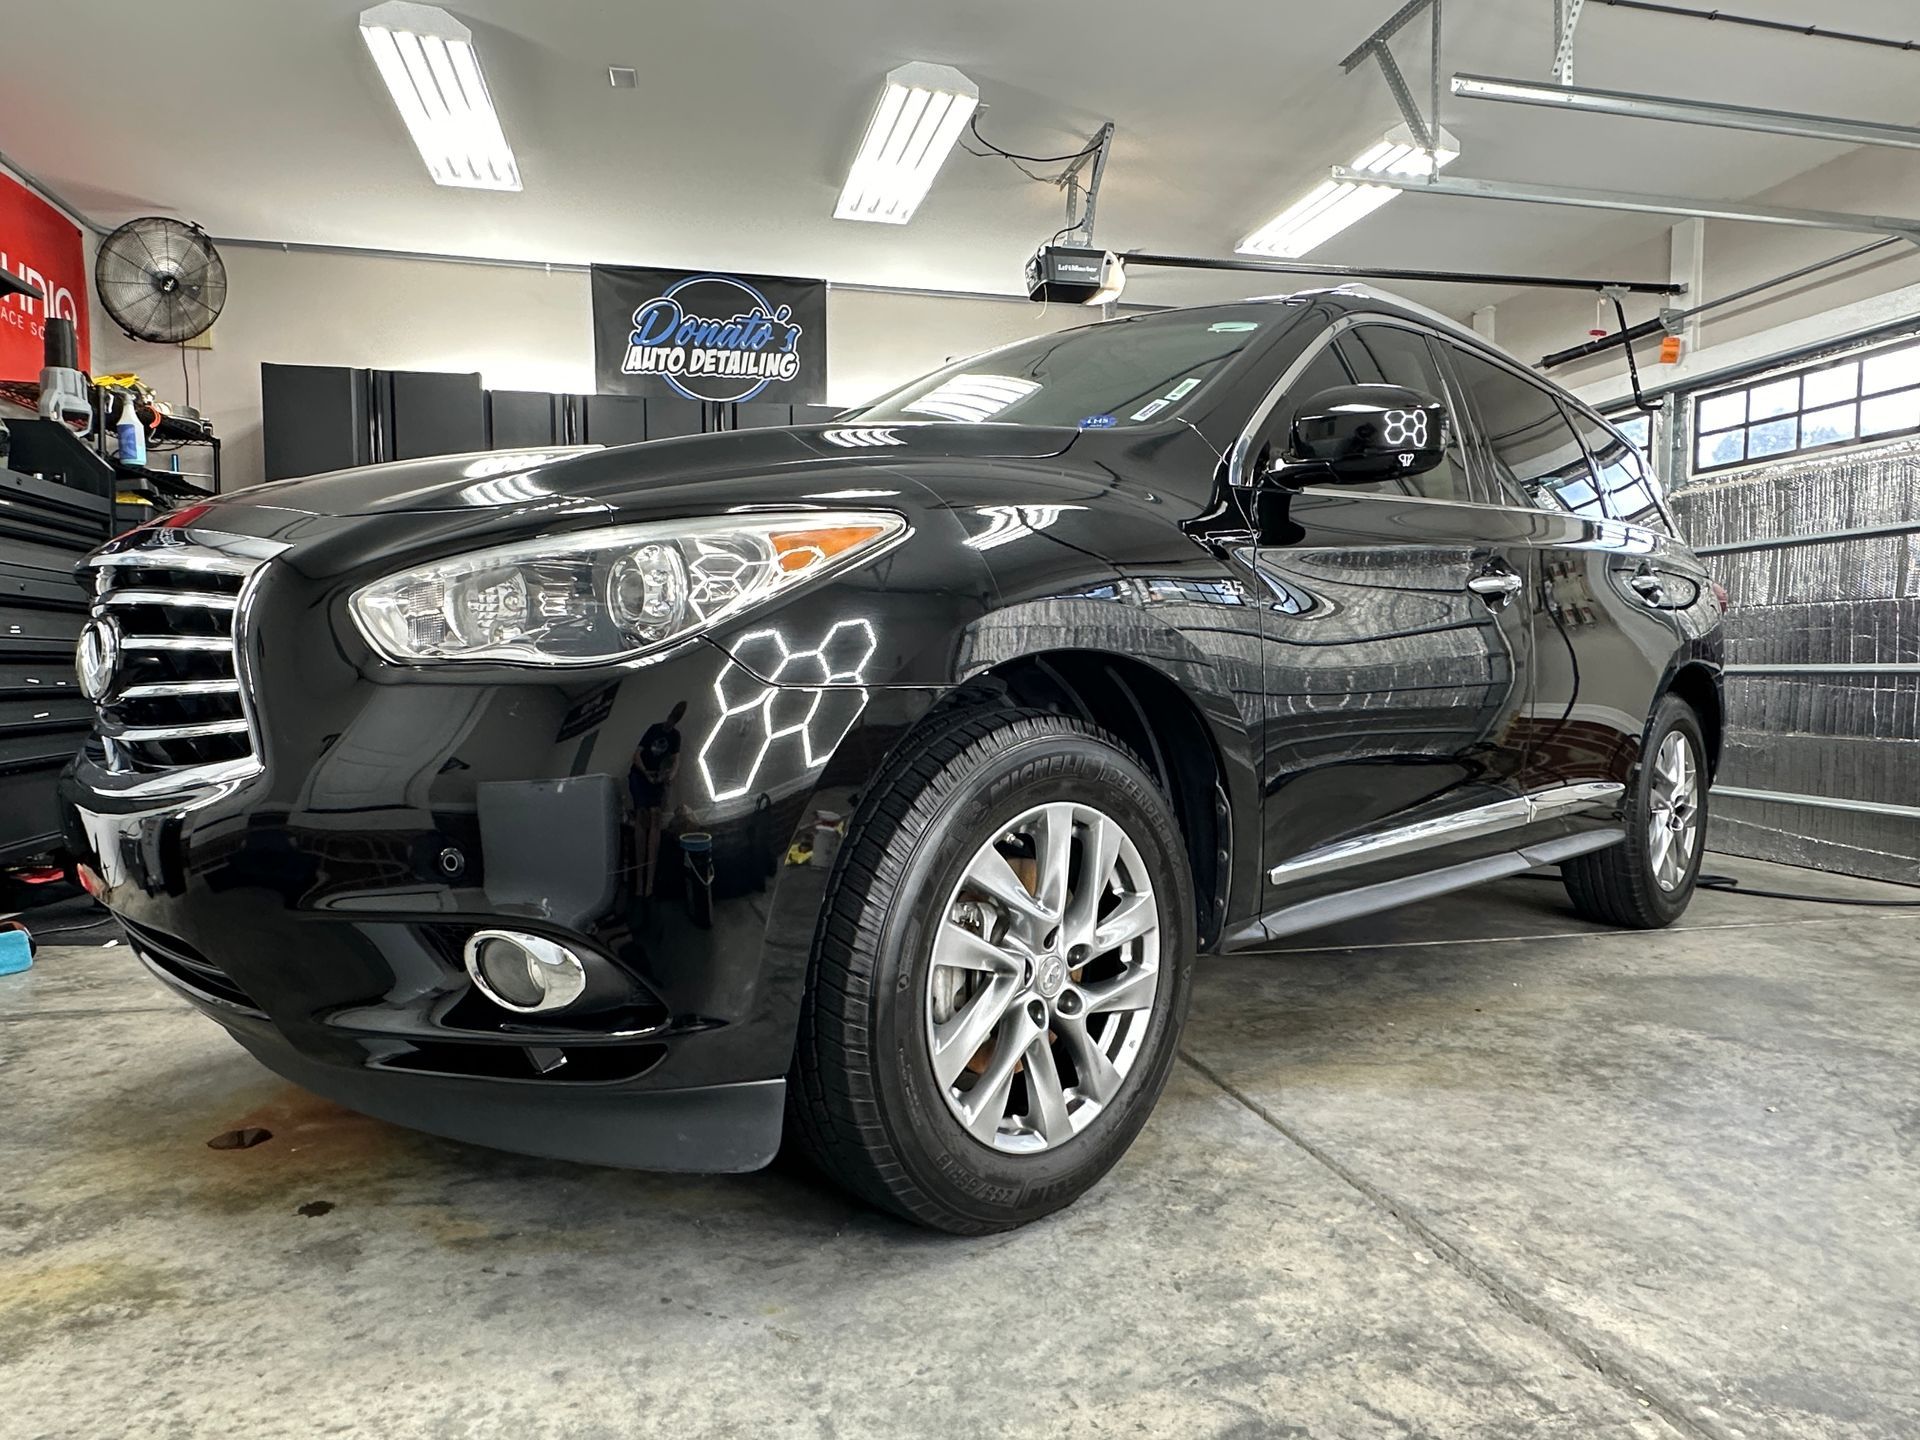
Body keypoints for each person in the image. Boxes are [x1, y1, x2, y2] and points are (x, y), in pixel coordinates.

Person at [629, 702, 686, 898]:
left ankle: (649, 882)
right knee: (641, 815)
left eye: (675, 720)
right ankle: (639, 879)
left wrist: (669, 776)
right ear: (668, 716)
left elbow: (676, 760)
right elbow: (636, 755)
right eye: (671, 718)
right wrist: (645, 773)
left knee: (655, 816)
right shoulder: (654, 728)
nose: (671, 723)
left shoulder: (676, 736)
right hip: (640, 774)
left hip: (657, 776)